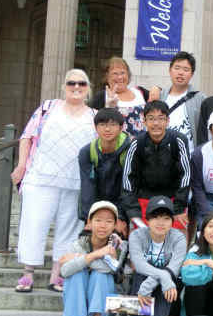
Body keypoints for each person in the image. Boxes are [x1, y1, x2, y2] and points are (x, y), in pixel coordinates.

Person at [11, 69, 97, 293]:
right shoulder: (48, 108)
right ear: (64, 86)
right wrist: (21, 165)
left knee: (69, 230)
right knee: (34, 223)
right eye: (71, 83)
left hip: (75, 183)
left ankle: (57, 274)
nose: (76, 87)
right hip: (40, 177)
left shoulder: (94, 115)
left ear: (88, 88)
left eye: (81, 83)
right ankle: (28, 273)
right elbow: (27, 137)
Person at [123, 196, 187, 316]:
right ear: (148, 220)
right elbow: (139, 264)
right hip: (141, 286)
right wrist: (161, 276)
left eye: (166, 218)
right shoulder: (137, 235)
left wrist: (156, 281)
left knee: (168, 281)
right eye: (156, 217)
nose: (161, 222)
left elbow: (174, 268)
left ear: (172, 221)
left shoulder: (179, 238)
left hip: (167, 294)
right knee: (142, 276)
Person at [60, 201, 128, 316]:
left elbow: (107, 269)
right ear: (89, 223)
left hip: (107, 301)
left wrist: (80, 259)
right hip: (79, 297)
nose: (103, 225)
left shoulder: (118, 246)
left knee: (100, 275)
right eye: (98, 220)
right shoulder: (78, 244)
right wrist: (97, 255)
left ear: (115, 225)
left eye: (108, 221)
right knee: (76, 274)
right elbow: (64, 271)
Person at [121, 100, 191, 231]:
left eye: (161, 118)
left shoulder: (178, 140)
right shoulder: (137, 143)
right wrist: (133, 212)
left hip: (172, 199)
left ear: (168, 121)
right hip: (144, 199)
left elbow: (186, 175)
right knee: (142, 236)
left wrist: (179, 208)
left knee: (177, 236)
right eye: (151, 119)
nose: (156, 123)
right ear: (144, 121)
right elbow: (128, 180)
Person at [79, 108, 132, 238]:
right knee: (90, 237)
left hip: (123, 203)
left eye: (112, 125)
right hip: (98, 203)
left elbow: (129, 187)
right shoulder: (87, 152)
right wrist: (89, 217)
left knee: (118, 238)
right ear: (96, 127)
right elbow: (87, 187)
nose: (107, 129)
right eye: (102, 124)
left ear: (121, 127)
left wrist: (121, 217)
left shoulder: (131, 150)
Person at [156, 51, 206, 151]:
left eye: (186, 69)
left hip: (189, 156)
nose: (181, 73)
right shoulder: (160, 96)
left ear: (192, 74)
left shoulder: (200, 99)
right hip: (162, 155)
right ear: (170, 70)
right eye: (177, 68)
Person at [89, 57, 149, 137]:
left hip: (143, 144)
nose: (120, 77)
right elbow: (92, 124)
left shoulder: (140, 92)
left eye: (123, 73)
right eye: (115, 74)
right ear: (107, 76)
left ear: (128, 74)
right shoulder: (101, 97)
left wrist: (157, 88)